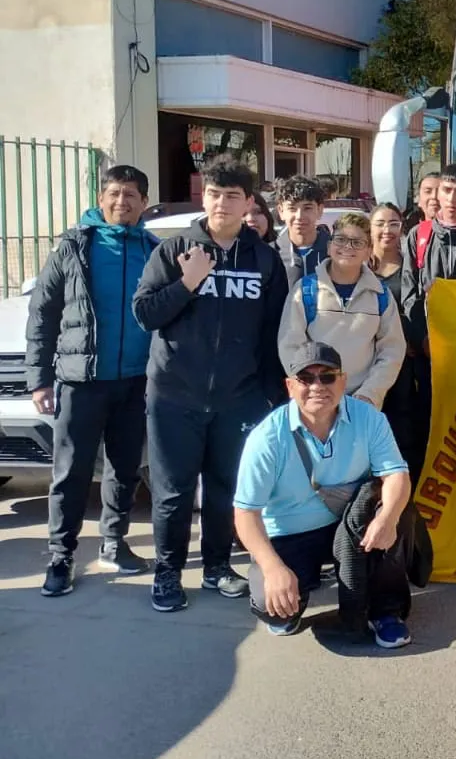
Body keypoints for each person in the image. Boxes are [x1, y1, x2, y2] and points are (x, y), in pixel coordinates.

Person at [133, 156, 289, 613]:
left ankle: (218, 566)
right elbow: (145, 313)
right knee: (174, 491)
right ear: (205, 197)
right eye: (215, 194)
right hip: (174, 394)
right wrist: (188, 282)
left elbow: (273, 333)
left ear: (248, 203)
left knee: (225, 487)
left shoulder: (263, 259)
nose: (222, 203)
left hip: (238, 398)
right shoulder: (174, 249)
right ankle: (168, 572)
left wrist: (270, 396)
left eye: (232, 196)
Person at [26, 165, 158, 596]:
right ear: (101, 199)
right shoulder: (74, 246)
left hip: (135, 382)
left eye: (131, 195)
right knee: (71, 472)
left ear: (143, 203)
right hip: (80, 381)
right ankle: (61, 556)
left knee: (125, 469)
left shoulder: (154, 250)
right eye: (114, 193)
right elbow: (43, 313)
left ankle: (114, 543)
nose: (122, 201)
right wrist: (39, 379)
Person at [233, 342, 414, 647]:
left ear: (343, 381)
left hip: (349, 527)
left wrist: (387, 518)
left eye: (328, 376)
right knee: (273, 610)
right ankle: (295, 591)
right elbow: (245, 512)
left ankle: (386, 611)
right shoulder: (267, 437)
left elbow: (397, 475)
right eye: (306, 378)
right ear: (290, 386)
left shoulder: (369, 418)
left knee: (397, 510)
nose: (318, 386)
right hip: (291, 533)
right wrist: (273, 568)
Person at [277, 212, 406, 410]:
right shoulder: (305, 290)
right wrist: (310, 387)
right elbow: (290, 345)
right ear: (329, 246)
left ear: (369, 250)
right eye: (340, 240)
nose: (347, 247)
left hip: (361, 404)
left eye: (357, 242)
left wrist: (369, 394)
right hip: (315, 401)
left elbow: (392, 350)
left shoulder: (381, 295)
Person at [401, 163, 456, 449]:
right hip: (429, 355)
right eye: (446, 190)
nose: (451, 199)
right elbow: (409, 294)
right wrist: (423, 339)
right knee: (428, 426)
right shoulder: (419, 235)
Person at [368, 203, 417, 472]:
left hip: (403, 361)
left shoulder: (413, 265)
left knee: (402, 424)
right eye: (380, 224)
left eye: (393, 224)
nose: (387, 230)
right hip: (365, 359)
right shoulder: (358, 266)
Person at [273, 175, 331, 289]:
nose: (299, 216)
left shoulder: (335, 252)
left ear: (320, 210)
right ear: (281, 211)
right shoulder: (271, 253)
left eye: (307, 208)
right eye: (292, 208)